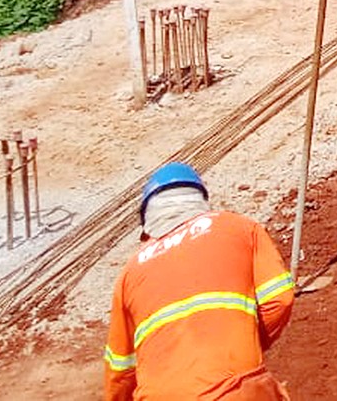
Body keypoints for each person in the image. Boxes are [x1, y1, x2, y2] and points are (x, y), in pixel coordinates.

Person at [104, 163, 295, 401]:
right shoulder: (238, 227)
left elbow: (120, 370)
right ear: (200, 201)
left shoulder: (129, 273)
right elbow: (280, 299)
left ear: (148, 219)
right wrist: (250, 341)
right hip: (234, 390)